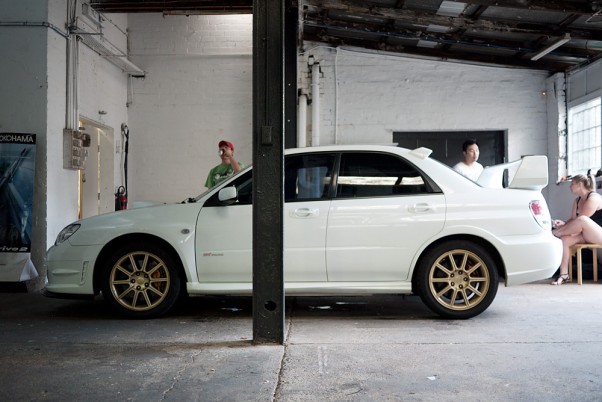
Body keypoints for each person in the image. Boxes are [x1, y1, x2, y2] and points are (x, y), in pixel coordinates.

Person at [551, 173, 602, 285]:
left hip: (599, 234)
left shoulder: (593, 198)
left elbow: (580, 221)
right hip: (586, 235)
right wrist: (563, 223)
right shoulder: (577, 201)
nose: (570, 186)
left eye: (572, 184)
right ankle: (564, 274)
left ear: (580, 184)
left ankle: (553, 235)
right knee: (565, 239)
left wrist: (562, 229)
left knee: (583, 219)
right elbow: (573, 220)